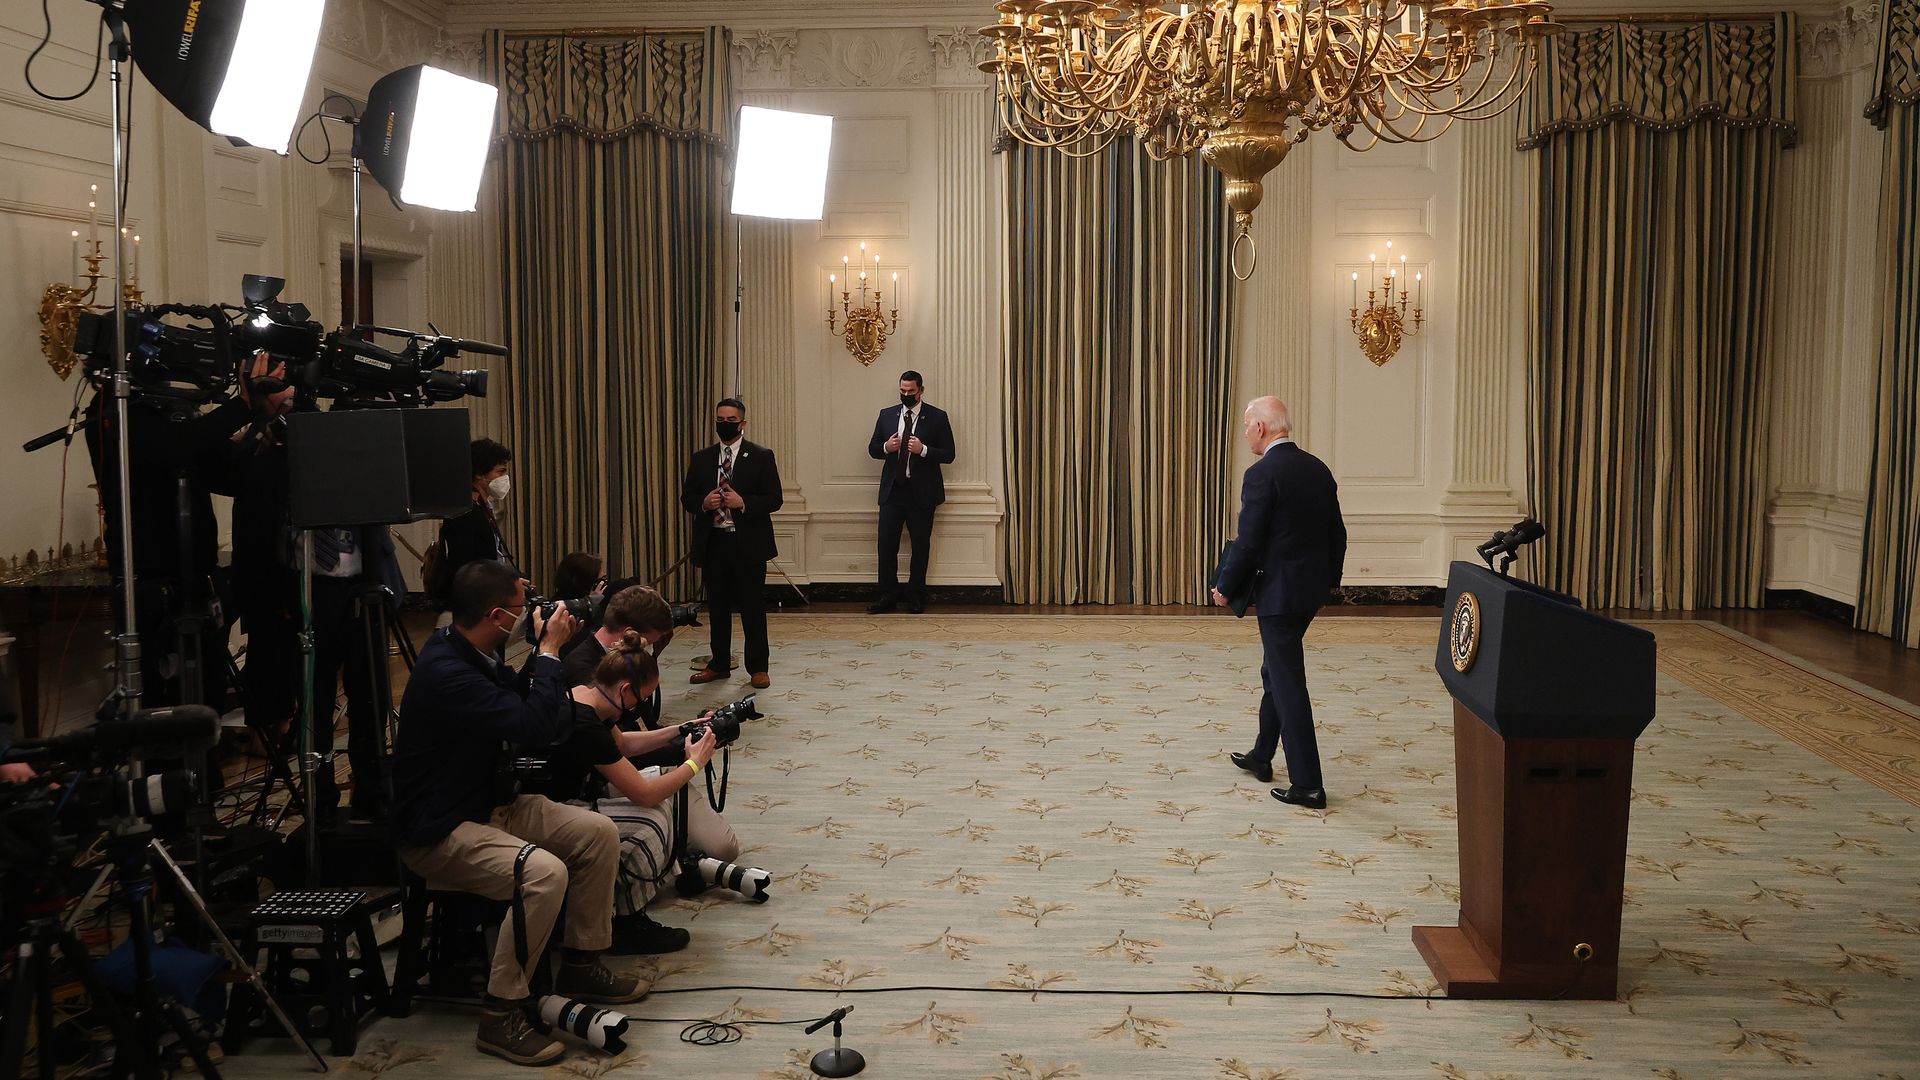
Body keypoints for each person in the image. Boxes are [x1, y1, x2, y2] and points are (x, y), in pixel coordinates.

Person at [390, 559, 641, 1067]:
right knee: (543, 873)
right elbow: (528, 726)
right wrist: (548, 652)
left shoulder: (479, 651)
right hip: (439, 829)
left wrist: (546, 659)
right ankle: (501, 1011)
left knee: (597, 833)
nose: (528, 616)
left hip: (487, 803)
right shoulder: (445, 671)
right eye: (521, 609)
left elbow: (530, 706)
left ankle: (580, 962)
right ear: (496, 613)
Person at [528, 633, 743, 954]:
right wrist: (694, 763)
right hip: (555, 809)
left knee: (656, 807)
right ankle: (626, 922)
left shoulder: (583, 695)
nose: (638, 707)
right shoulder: (588, 726)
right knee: (651, 818)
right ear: (625, 689)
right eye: (640, 699)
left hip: (552, 799)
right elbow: (642, 793)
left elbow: (627, 743)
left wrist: (683, 728)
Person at [1213, 396, 1347, 811]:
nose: (1245, 434)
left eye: (1246, 425)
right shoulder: (1317, 468)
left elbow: (1250, 542)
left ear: (1260, 428)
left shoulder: (1261, 474)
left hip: (1278, 595)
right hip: (1308, 593)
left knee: (1288, 683)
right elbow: (1337, 534)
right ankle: (1261, 755)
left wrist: (1224, 585)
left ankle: (1308, 784)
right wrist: (1328, 583)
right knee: (1275, 668)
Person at [679, 398, 783, 689]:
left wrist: (743, 502)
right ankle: (719, 663)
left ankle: (758, 668)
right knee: (718, 607)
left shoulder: (761, 456)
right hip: (713, 543)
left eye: (730, 420)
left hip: (747, 543)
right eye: (720, 419)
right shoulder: (702, 458)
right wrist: (703, 502)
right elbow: (687, 497)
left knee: (752, 608)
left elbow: (775, 499)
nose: (724, 424)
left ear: (743, 423)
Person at [866, 370, 956, 614]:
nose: (906, 395)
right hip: (892, 492)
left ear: (921, 390)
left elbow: (949, 454)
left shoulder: (937, 417)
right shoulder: (887, 415)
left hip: (922, 493)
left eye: (911, 392)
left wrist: (923, 449)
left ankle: (916, 597)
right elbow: (873, 448)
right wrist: (887, 446)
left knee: (920, 546)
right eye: (902, 391)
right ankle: (887, 596)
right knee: (886, 546)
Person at [432, 439, 516, 604]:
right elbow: (468, 566)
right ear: (479, 474)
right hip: (478, 598)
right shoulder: (466, 514)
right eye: (500, 472)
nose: (505, 478)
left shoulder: (481, 507)